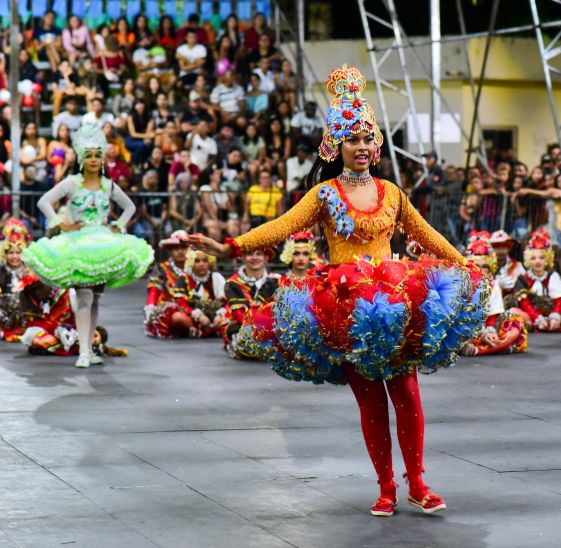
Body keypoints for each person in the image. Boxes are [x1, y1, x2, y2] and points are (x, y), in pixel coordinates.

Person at [188, 64, 487, 517]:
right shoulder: (325, 194)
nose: (362, 147)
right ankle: (386, 487)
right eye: (353, 139)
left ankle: (418, 482)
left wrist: (465, 263)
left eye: (368, 138)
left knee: (406, 394)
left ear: (377, 144)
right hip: (346, 306)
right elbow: (282, 226)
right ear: (336, 146)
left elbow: (427, 235)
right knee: (370, 400)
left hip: (395, 302)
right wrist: (229, 245)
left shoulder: (392, 192)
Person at [22, 123, 154, 368]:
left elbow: (130, 207)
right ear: (82, 159)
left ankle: (89, 350)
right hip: (79, 243)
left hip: (103, 241)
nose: (93, 160)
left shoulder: (108, 185)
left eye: (97, 155)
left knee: (94, 298)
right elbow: (44, 202)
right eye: (89, 156)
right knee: (83, 296)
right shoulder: (72, 182)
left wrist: (119, 226)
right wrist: (61, 224)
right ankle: (83, 351)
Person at [460, 232, 527, 356]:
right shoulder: (458, 284)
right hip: (463, 327)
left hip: (485, 329)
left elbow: (492, 315)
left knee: (516, 323)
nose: (480, 270)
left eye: (484, 266)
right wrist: (481, 333)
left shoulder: (492, 285)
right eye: (475, 265)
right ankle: (498, 347)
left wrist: (490, 331)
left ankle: (477, 350)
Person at [222, 247, 278, 359]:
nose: (254, 257)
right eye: (250, 254)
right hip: (244, 326)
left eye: (259, 254)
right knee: (234, 330)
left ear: (266, 258)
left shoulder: (277, 280)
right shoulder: (232, 283)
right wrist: (262, 326)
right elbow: (239, 315)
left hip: (271, 327)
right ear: (242, 258)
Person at [512, 229, 561, 332]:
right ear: (528, 260)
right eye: (533, 258)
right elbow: (524, 303)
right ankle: (535, 324)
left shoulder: (553, 276)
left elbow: (559, 300)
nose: (537, 262)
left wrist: (555, 317)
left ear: (547, 260)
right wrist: (538, 318)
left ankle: (552, 324)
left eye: (541, 258)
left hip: (551, 313)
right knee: (513, 312)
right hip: (530, 314)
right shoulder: (522, 279)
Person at [144, 230, 190, 338]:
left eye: (183, 248)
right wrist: (150, 308)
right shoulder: (162, 268)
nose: (180, 252)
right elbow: (154, 290)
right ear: (170, 250)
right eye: (176, 248)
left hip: (191, 308)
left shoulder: (196, 267)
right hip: (170, 309)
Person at [171, 249, 227, 338]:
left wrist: (220, 315)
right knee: (177, 317)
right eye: (197, 261)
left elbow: (228, 302)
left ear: (209, 263)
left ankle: (208, 330)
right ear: (192, 263)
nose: (201, 264)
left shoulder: (217, 278)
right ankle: (198, 329)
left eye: (205, 260)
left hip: (215, 316)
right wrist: (198, 316)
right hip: (192, 316)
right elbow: (181, 303)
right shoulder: (183, 279)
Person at [0, 219, 32, 342]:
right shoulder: (1, 272)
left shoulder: (30, 272)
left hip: (26, 317)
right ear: (4, 254)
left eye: (18, 253)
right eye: (11, 253)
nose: (14, 257)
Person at [488, 230, 524, 298]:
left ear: (509, 249)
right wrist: (496, 283)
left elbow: (524, 286)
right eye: (497, 247)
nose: (501, 251)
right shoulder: (486, 265)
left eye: (504, 247)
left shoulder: (517, 266)